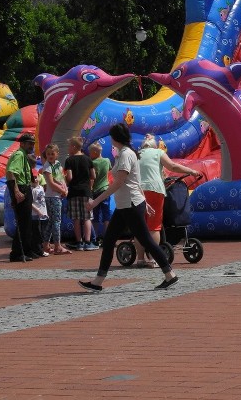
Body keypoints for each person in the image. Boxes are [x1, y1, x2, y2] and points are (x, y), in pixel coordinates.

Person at [78, 122, 178, 292]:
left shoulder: (126, 154)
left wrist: (95, 201)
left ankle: (170, 275)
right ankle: (98, 281)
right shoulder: (126, 153)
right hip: (128, 204)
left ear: (115, 138)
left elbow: (119, 182)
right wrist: (145, 203)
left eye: (111, 136)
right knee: (109, 240)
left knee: (144, 239)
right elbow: (135, 181)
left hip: (130, 205)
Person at [134, 133, 201, 267]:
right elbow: (172, 166)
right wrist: (191, 171)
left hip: (138, 190)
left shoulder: (137, 154)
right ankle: (153, 259)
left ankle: (140, 259)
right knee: (154, 226)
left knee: (139, 226)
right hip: (154, 190)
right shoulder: (158, 152)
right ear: (154, 145)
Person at [6, 132, 37, 262]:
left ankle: (27, 249)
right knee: (23, 223)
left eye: (33, 144)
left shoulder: (24, 155)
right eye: (29, 143)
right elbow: (11, 172)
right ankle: (17, 253)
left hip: (25, 187)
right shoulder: (19, 155)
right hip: (20, 188)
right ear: (22, 144)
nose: (32, 146)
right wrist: (16, 191)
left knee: (27, 222)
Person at [63, 137, 95, 251]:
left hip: (74, 191)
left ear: (74, 147)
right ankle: (88, 241)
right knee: (87, 217)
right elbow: (93, 176)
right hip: (86, 191)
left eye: (69, 146)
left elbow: (70, 177)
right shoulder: (88, 159)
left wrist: (65, 179)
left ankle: (79, 242)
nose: (68, 148)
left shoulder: (69, 160)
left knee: (76, 218)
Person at [40, 143, 69, 255]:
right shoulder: (47, 167)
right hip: (52, 197)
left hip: (57, 196)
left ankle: (46, 244)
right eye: (48, 154)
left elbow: (61, 179)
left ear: (57, 154)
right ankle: (57, 246)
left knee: (52, 222)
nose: (50, 156)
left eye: (52, 154)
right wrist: (62, 191)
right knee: (56, 221)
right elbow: (51, 183)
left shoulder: (57, 164)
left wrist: (65, 189)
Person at [87, 142, 111, 249]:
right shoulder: (107, 161)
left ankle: (95, 237)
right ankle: (107, 237)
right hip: (105, 189)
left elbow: (93, 177)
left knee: (95, 215)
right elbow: (109, 170)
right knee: (106, 215)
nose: (89, 155)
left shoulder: (93, 163)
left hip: (96, 190)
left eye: (90, 153)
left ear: (95, 152)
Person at [30, 172, 49, 257]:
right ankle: (38, 250)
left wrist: (45, 212)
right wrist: (38, 211)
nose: (35, 179)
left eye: (36, 177)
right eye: (33, 178)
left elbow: (42, 201)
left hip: (43, 214)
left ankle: (41, 248)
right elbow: (30, 203)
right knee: (37, 233)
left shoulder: (41, 187)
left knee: (42, 232)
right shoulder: (32, 190)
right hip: (35, 215)